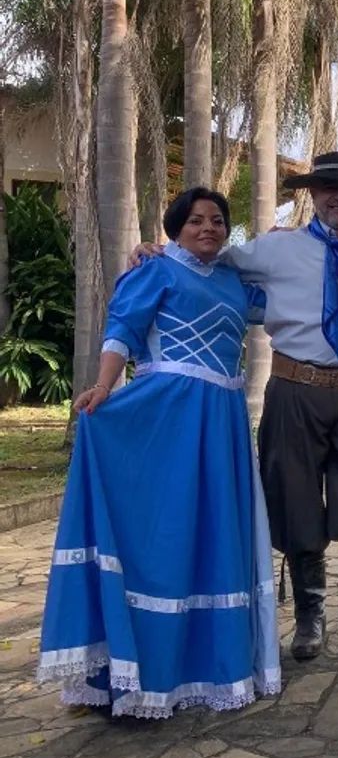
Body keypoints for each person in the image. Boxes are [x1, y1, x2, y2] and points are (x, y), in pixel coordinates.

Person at [132, 152, 338, 661]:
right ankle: (310, 619)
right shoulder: (275, 251)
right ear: (314, 195)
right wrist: (156, 251)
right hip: (294, 390)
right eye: (329, 188)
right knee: (296, 501)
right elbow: (207, 256)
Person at [38, 188, 281, 718]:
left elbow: (286, 297)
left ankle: (209, 665)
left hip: (222, 418)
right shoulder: (155, 270)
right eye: (196, 221)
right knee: (164, 534)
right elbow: (122, 330)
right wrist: (103, 387)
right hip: (168, 413)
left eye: (218, 220)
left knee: (213, 535)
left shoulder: (236, 282)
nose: (209, 228)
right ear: (176, 227)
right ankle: (129, 673)